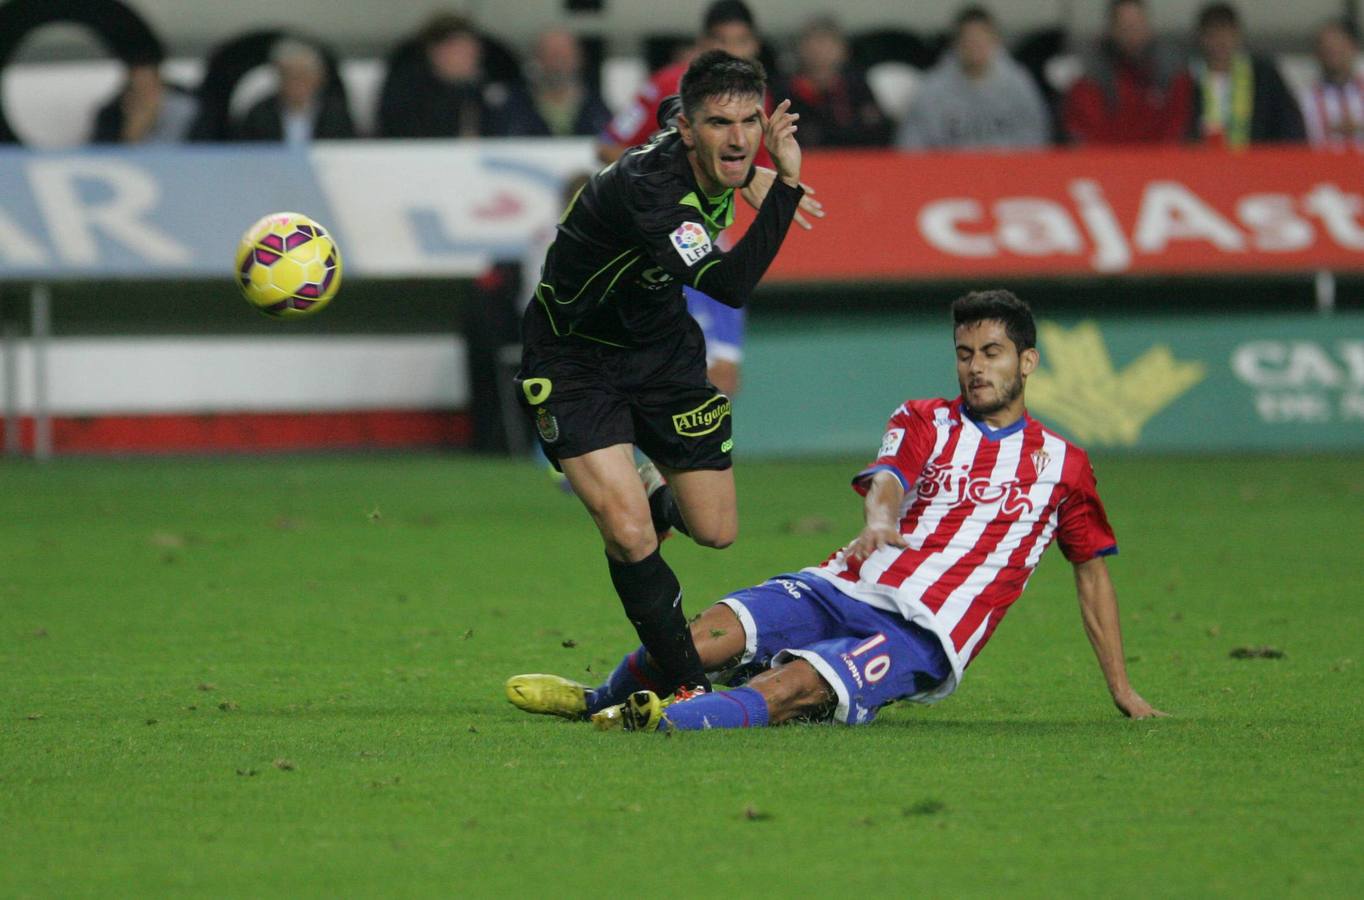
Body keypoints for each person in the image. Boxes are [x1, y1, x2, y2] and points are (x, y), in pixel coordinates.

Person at [507, 290, 1166, 732]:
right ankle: (599, 698)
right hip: (846, 581)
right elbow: (889, 477)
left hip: (924, 631)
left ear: (1027, 362)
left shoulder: (1065, 466)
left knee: (798, 687)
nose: (975, 368)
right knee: (709, 634)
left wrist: (1122, 689)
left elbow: (1091, 572)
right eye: (965, 354)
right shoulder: (925, 418)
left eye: (991, 354)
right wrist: (881, 518)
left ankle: (664, 720)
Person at [513, 50, 806, 702]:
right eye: (719, 122)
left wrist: (755, 178)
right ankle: (688, 689)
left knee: (716, 531)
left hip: (663, 355)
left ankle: (648, 493)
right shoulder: (650, 189)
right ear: (685, 126)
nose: (737, 137)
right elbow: (728, 284)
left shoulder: (723, 166)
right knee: (629, 534)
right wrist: (781, 188)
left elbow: (730, 195)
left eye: (750, 121)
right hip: (573, 358)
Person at [599, 0, 822, 397]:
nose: (733, 51)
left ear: (755, 45)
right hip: (654, 231)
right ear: (702, 44)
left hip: (707, 229)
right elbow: (609, 148)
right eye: (722, 41)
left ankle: (719, 364)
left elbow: (746, 174)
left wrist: (767, 184)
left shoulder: (759, 100)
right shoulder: (669, 85)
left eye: (741, 41)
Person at [898, 6, 1050, 150]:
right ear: (956, 43)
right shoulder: (932, 88)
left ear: (995, 41)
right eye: (969, 41)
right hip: (947, 171)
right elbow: (912, 143)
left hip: (1006, 170)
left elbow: (1036, 135)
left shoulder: (1018, 83)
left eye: (981, 40)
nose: (975, 47)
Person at [1062, 0, 1193, 144]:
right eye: (1125, 27)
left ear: (1148, 26)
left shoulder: (1171, 70)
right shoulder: (1090, 76)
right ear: (1111, 30)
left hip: (1163, 160)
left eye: (1137, 25)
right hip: (1109, 161)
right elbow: (1088, 133)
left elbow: (1178, 126)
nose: (1132, 33)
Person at [1185, 3, 1304, 147]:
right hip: (1203, 165)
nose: (1220, 42)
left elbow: (1289, 125)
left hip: (1257, 165)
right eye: (1213, 35)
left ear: (1238, 35)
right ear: (1201, 38)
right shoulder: (1188, 81)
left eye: (1226, 34)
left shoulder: (1264, 76)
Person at [376, 13, 509, 138]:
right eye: (460, 50)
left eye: (472, 50)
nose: (471, 57)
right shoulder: (408, 93)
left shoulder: (492, 88)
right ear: (436, 52)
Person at [776, 16, 892, 148]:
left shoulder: (856, 84)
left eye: (828, 44)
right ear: (801, 49)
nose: (821, 53)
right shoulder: (787, 90)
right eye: (815, 44)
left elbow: (878, 129)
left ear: (844, 50)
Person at [233, 39, 355, 145]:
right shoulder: (259, 114)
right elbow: (247, 151)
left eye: (303, 76)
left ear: (318, 79)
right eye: (290, 76)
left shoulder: (336, 114)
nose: (297, 83)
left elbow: (349, 149)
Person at [501, 29, 611, 138]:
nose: (559, 63)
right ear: (537, 59)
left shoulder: (598, 108)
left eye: (566, 55)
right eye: (552, 55)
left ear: (579, 59)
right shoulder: (514, 107)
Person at [91, 58, 199, 145]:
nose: (142, 91)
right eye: (135, 87)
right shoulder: (113, 114)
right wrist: (133, 130)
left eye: (147, 85)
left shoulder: (186, 108)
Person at [1297, 18, 1364, 149]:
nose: (1332, 54)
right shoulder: (1304, 98)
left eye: (1339, 49)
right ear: (1317, 54)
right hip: (1322, 167)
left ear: (1354, 48)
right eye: (1327, 50)